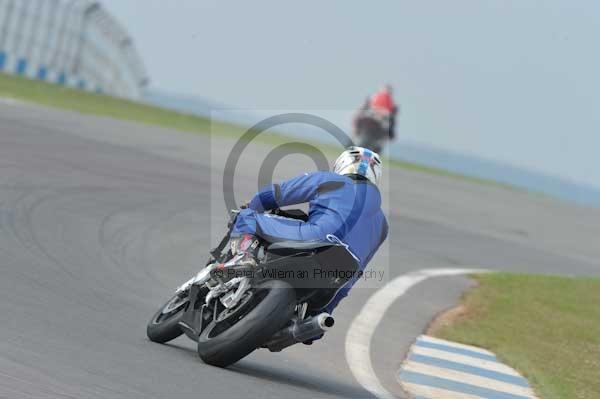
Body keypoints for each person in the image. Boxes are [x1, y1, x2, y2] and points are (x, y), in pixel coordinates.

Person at [224, 146, 388, 315]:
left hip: (314, 239)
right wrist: (326, 311)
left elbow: (275, 194)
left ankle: (244, 258)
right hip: (340, 274)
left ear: (342, 164)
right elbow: (357, 273)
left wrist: (253, 206)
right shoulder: (382, 224)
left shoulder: (330, 180)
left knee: (246, 217)